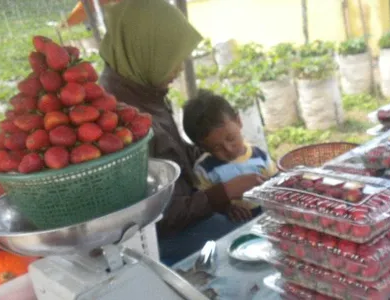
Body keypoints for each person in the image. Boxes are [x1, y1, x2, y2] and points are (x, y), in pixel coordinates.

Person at [98, 0, 265, 264]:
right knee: (252, 240)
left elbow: (174, 156)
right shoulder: (121, 121)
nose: (176, 70)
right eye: (171, 60)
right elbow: (157, 216)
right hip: (156, 242)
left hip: (186, 213)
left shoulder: (143, 89)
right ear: (146, 51)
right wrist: (221, 193)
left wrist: (219, 152)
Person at [183, 89, 277, 222]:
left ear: (238, 121)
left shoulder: (260, 156)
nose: (228, 149)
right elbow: (205, 203)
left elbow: (275, 183)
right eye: (216, 147)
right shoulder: (204, 169)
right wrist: (226, 208)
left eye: (231, 138)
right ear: (203, 147)